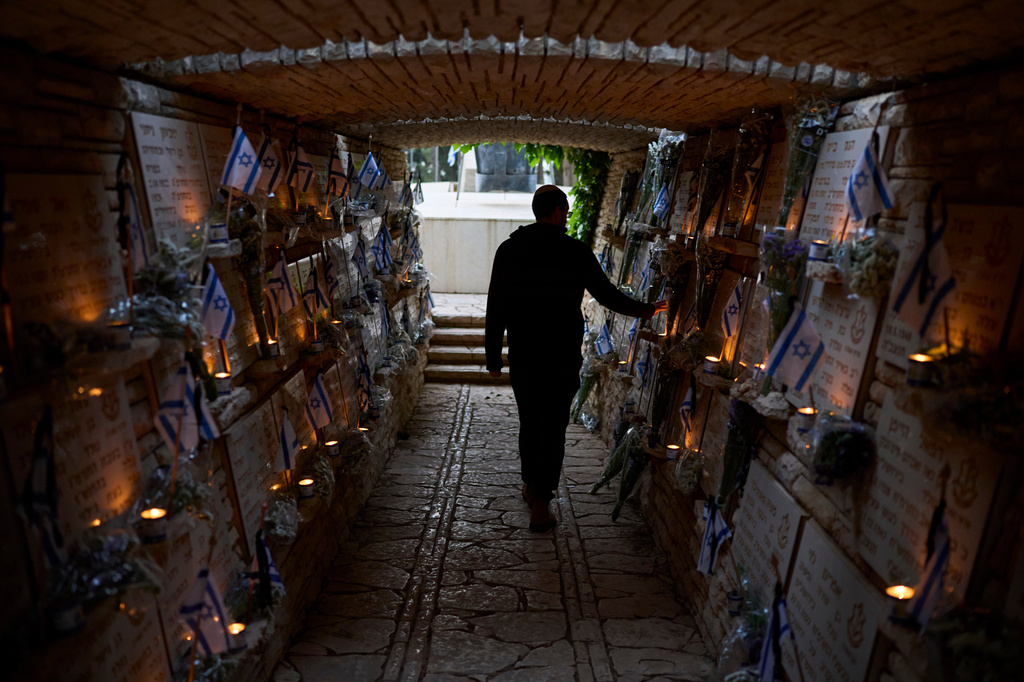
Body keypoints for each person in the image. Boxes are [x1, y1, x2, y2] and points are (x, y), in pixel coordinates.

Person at [485, 185, 666, 532]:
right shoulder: (574, 251)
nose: (567, 217)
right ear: (555, 211)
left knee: (531, 422)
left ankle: (530, 484)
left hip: (524, 355)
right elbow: (607, 294)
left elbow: (497, 306)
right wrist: (646, 310)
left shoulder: (509, 250)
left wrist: (494, 357)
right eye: (565, 211)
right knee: (553, 428)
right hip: (561, 356)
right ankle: (541, 501)